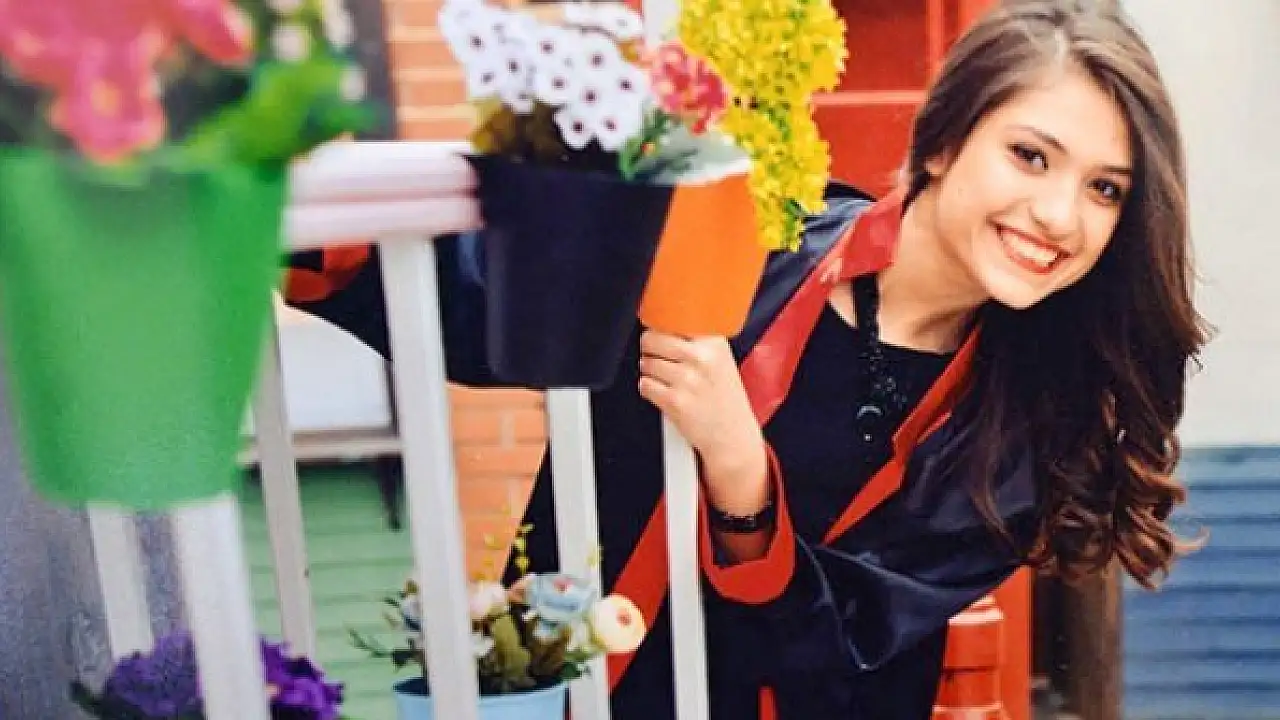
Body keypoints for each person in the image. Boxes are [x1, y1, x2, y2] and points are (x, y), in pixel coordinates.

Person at [286, 0, 1206, 717]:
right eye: (1031, 156)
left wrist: (741, 479)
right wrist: (291, 217)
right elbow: (510, 291)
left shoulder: (1029, 426)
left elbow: (846, 655)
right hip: (573, 691)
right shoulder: (753, 235)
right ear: (941, 143)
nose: (1059, 215)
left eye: (1105, 189)